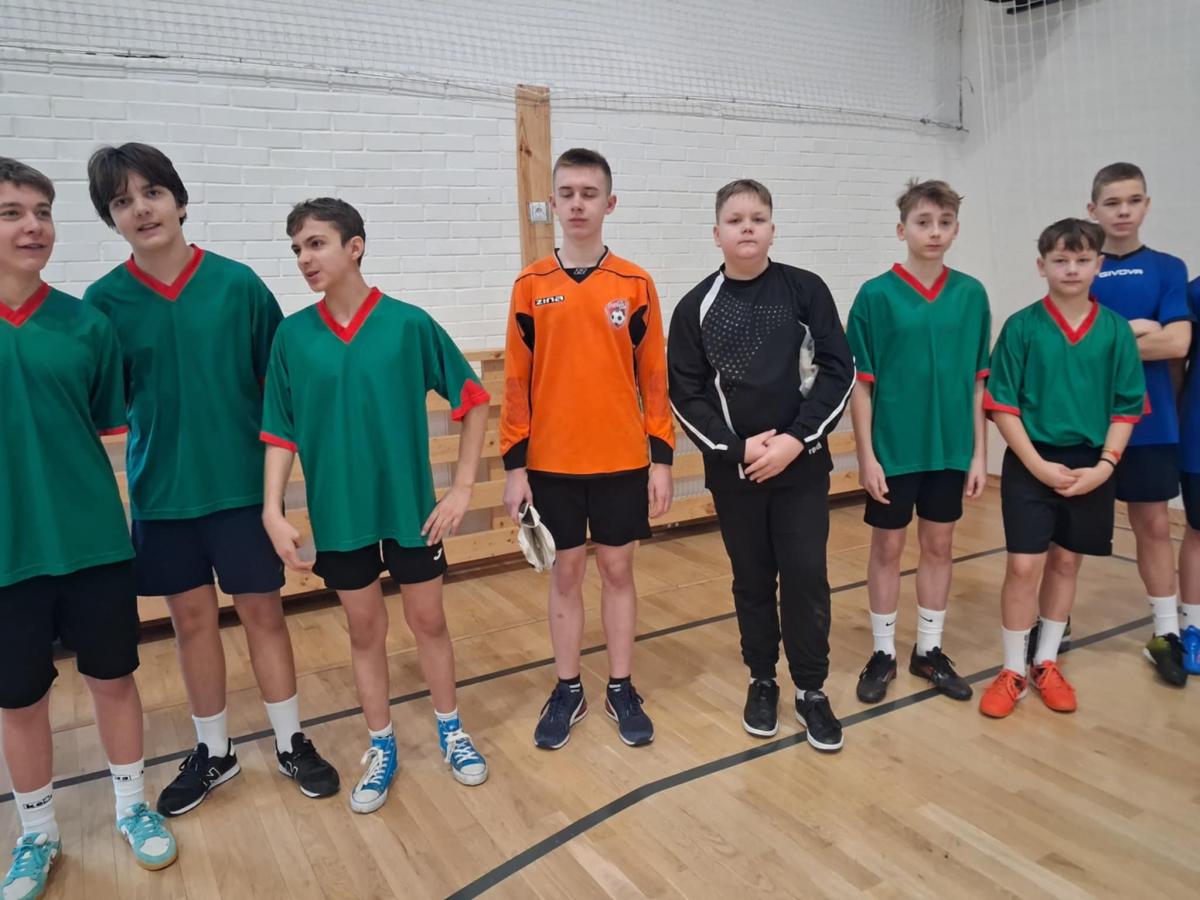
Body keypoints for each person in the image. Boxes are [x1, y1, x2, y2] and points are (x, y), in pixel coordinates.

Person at [85, 144, 338, 816]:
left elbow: (278, 392)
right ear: (111, 218)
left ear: (179, 200)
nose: (141, 209)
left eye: (152, 193)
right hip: (163, 496)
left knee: (263, 615)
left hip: (242, 492)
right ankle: (215, 751)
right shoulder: (103, 303)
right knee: (191, 623)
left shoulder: (238, 285)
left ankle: (290, 741)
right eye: (122, 201)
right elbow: (104, 407)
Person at [262, 198, 491, 813]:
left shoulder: (408, 325)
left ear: (354, 246)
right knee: (365, 631)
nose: (304, 259)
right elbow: (280, 431)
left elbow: (473, 400)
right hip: (340, 518)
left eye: (316, 244)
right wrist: (272, 510)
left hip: (411, 513)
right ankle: (382, 744)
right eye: (297, 249)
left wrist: (462, 489)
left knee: (429, 622)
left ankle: (451, 730)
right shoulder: (292, 337)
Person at [0, 157, 177, 900]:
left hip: (94, 544)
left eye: (42, 211)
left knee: (114, 681)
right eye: (12, 212)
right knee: (19, 701)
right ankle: (37, 833)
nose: (33, 226)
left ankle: (133, 807)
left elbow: (106, 426)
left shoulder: (87, 325)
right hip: (8, 556)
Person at [668, 179, 854, 751]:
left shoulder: (806, 290)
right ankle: (763, 679)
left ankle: (811, 690)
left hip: (802, 467)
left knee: (805, 577)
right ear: (716, 234)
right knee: (751, 580)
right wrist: (739, 449)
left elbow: (838, 370)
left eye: (757, 218)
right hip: (738, 474)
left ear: (773, 229)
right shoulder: (695, 307)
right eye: (735, 220)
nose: (746, 227)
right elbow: (686, 394)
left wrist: (796, 441)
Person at [500, 148, 675, 750]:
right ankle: (568, 686)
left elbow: (655, 377)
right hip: (551, 465)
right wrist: (515, 468)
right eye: (568, 193)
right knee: (567, 574)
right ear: (553, 202)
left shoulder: (635, 283)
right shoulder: (530, 285)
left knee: (618, 570)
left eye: (589, 193)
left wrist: (662, 458)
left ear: (609, 203)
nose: (578, 204)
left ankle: (621, 686)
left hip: (622, 460)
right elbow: (516, 383)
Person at [979, 218, 1145, 718]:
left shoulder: (1115, 330)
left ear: (1098, 264)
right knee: (1023, 565)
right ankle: (1013, 668)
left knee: (1067, 562)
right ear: (1042, 265)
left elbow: (1126, 408)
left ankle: (1045, 662)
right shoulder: (1022, 327)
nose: (1071, 269)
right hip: (1031, 459)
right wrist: (1035, 464)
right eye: (1060, 260)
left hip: (1090, 465)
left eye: (1082, 260)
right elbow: (1002, 405)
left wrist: (1105, 467)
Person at [846, 179, 991, 704]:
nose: (934, 232)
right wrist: (867, 456)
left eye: (944, 223)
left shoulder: (972, 295)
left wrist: (979, 453)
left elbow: (978, 382)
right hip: (893, 451)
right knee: (887, 546)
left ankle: (929, 649)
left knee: (940, 545)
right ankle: (883, 651)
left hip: (949, 450)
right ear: (901, 229)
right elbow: (861, 387)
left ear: (955, 229)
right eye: (923, 222)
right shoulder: (875, 296)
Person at [1087, 162, 1191, 686]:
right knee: (1067, 534)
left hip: (1152, 425)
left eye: (1133, 201)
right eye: (1112, 202)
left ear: (1146, 205)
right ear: (1093, 210)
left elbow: (1177, 342)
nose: (1123, 211)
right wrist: (1136, 331)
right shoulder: (1082, 266)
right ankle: (1050, 626)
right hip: (1085, 424)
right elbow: (1073, 346)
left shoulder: (1169, 268)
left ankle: (1166, 633)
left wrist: (1109, 339)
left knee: (1152, 527)